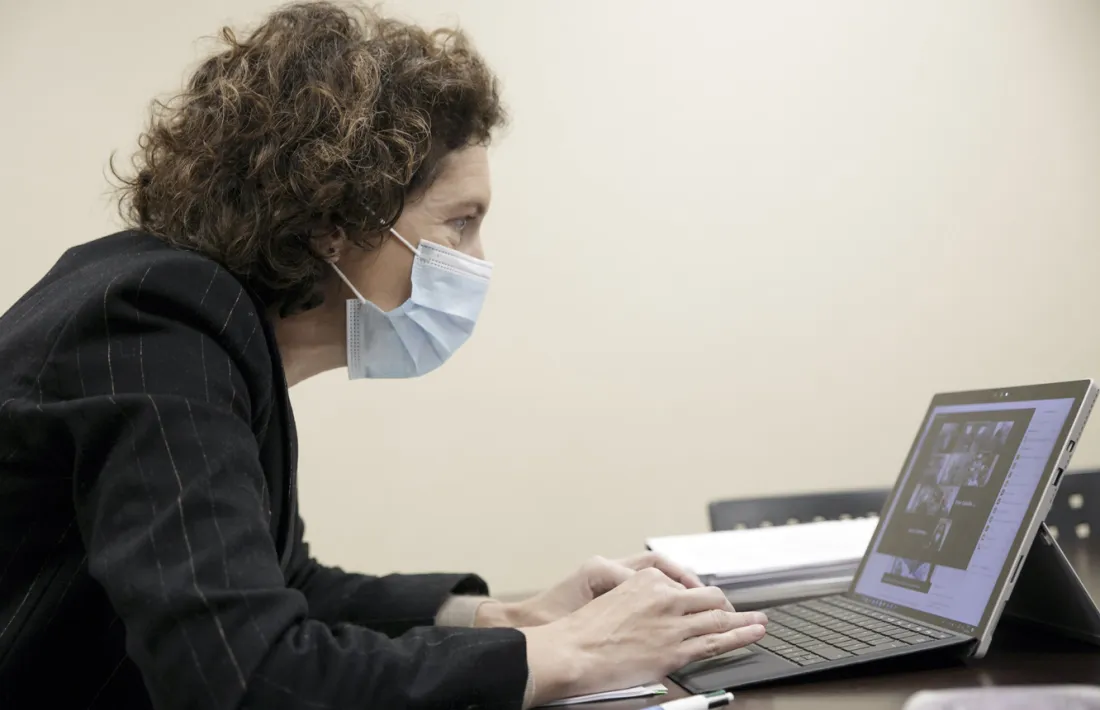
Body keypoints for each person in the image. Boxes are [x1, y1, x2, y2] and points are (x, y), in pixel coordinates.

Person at [0, 3, 767, 708]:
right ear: (334, 221)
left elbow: (279, 587)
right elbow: (244, 676)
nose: (477, 258)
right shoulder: (157, 323)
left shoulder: (200, 324)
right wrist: (553, 655)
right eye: (460, 223)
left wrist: (504, 616)